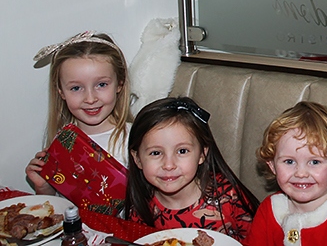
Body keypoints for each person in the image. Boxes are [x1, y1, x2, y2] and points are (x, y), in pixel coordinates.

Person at [125, 97, 259, 243]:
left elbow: (259, 240)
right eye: (156, 153)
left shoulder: (228, 196)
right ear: (137, 159)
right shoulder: (141, 206)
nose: (169, 165)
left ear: (202, 154)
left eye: (182, 151)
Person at [245, 101, 327, 246]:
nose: (301, 173)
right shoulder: (269, 209)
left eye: (315, 162)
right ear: (272, 165)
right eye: (289, 162)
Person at [26, 31, 132, 196]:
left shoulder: (136, 140)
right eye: (76, 88)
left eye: (101, 84)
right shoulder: (62, 142)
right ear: (61, 91)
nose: (90, 99)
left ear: (119, 83)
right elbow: (59, 209)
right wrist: (44, 188)